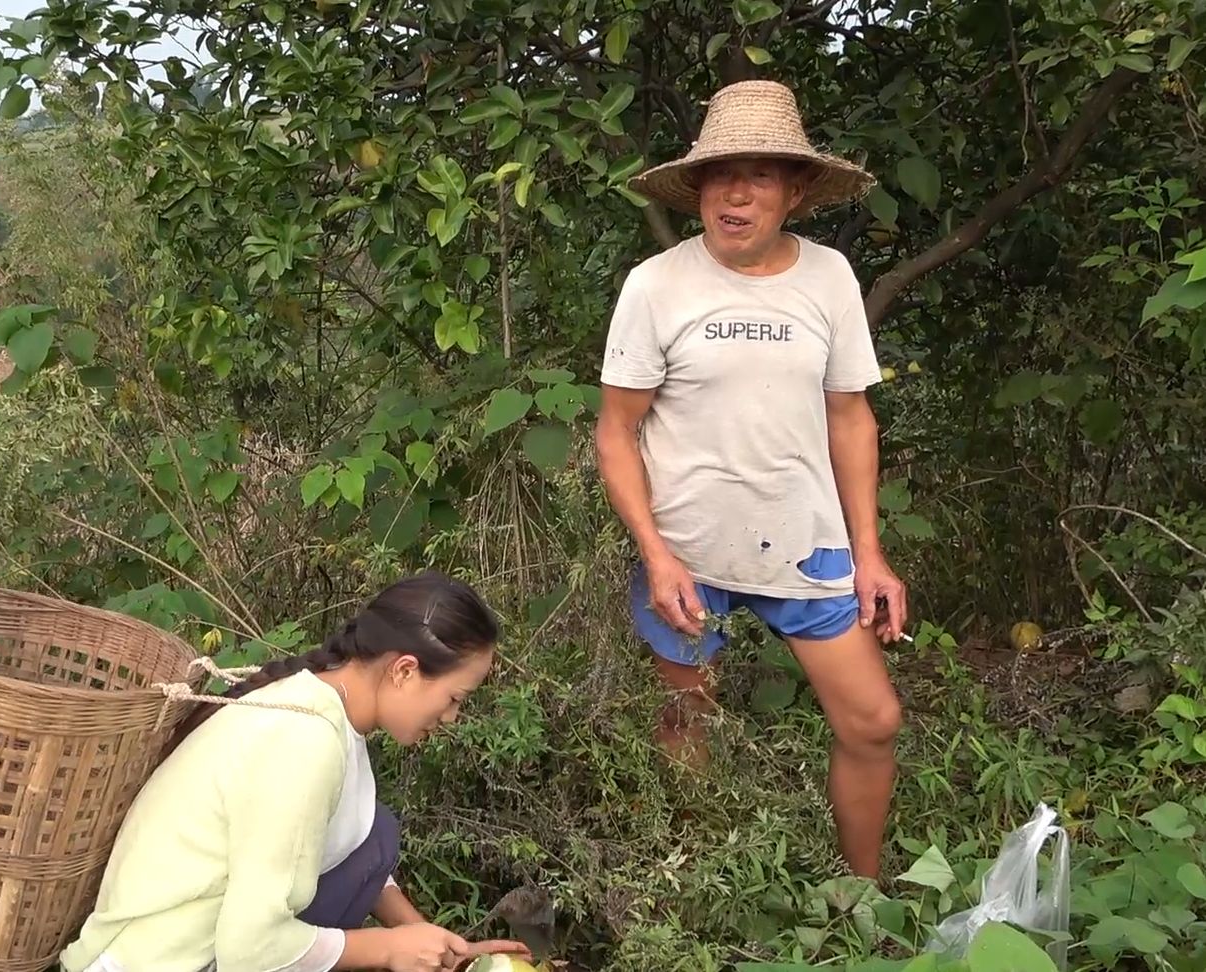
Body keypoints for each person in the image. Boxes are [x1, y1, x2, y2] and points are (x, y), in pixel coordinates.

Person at [595, 79, 908, 880]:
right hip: (687, 555)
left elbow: (850, 418)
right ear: (697, 187)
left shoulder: (829, 278)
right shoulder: (655, 285)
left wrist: (869, 553)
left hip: (807, 551)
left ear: (794, 192)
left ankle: (863, 900)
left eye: (760, 173)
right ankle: (694, 891)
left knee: (872, 721)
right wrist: (656, 556)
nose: (736, 192)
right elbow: (617, 432)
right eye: (720, 173)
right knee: (685, 719)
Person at [59, 571, 533, 972]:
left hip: (195, 935)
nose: (452, 718)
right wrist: (387, 949)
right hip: (162, 959)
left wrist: (431, 942)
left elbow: (349, 841)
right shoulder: (303, 742)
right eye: (454, 699)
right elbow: (250, 949)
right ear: (404, 671)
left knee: (375, 834)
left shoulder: (328, 705)